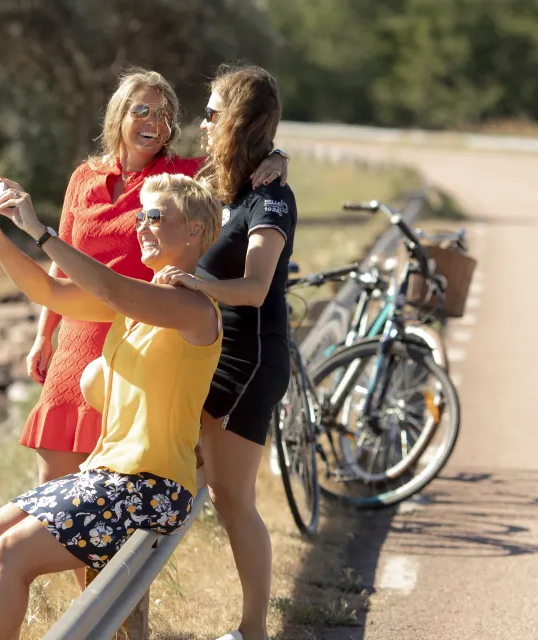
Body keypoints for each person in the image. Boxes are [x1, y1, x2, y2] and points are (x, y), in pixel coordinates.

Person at [0, 173, 225, 640]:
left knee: (12, 552)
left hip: (151, 486)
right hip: (106, 476)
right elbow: (51, 293)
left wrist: (41, 231)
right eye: (140, 215)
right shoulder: (138, 305)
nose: (142, 225)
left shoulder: (195, 309)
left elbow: (112, 290)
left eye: (155, 216)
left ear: (195, 232)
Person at [20, 68, 289, 497]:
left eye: (164, 115)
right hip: (75, 336)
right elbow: (61, 262)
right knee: (53, 484)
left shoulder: (185, 176)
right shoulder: (82, 178)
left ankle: (122, 564)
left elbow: (241, 155)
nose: (154, 122)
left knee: (106, 483)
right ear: (118, 116)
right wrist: (43, 336)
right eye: (142, 110)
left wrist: (279, 159)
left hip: (137, 331)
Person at [153, 64, 295, 640]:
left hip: (249, 362)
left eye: (213, 112)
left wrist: (196, 284)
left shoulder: (272, 198)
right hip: (214, 357)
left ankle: (253, 630)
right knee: (196, 478)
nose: (203, 122)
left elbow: (257, 287)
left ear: (236, 118)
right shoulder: (227, 183)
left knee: (235, 499)